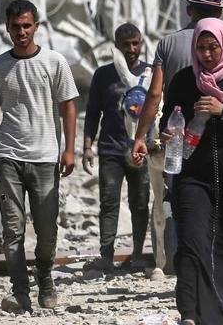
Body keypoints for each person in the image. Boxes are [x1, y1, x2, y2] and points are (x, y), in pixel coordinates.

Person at [159, 19, 223, 325]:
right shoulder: (182, 80)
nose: (207, 54)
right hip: (191, 174)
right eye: (201, 48)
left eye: (213, 47)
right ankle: (191, 313)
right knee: (192, 241)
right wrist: (167, 133)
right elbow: (167, 119)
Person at [0, 0, 78, 312]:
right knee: (13, 228)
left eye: (26, 25)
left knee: (47, 228)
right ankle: (20, 289)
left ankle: (45, 278)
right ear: (7, 28)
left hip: (46, 157)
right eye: (15, 26)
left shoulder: (54, 62)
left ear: (36, 27)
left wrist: (70, 149)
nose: (21, 31)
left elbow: (68, 106)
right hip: (8, 156)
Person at [131, 0, 223, 277]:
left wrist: (140, 136)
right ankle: (214, 262)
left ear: (189, 10)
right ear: (219, 13)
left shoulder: (168, 44)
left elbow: (155, 94)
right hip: (216, 136)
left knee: (177, 199)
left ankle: (179, 262)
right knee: (216, 199)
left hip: (177, 137)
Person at [83, 22, 152, 271]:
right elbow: (92, 113)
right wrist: (87, 147)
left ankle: (137, 254)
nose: (132, 49)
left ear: (141, 44)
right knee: (109, 202)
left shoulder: (150, 74)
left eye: (136, 43)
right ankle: (106, 255)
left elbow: (159, 108)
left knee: (141, 203)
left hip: (141, 150)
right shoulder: (103, 75)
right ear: (117, 47)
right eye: (126, 45)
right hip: (111, 149)